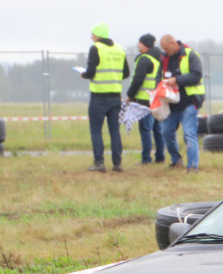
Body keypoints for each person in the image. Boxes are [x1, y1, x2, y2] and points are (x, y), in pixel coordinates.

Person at [81, 23, 129, 172]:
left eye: (92, 34)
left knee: (96, 130)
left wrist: (83, 74)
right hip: (115, 96)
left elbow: (91, 72)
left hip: (99, 96)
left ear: (98, 35)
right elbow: (126, 73)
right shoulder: (119, 49)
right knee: (115, 130)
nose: (91, 37)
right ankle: (117, 163)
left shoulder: (96, 48)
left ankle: (99, 162)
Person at [158, 34, 205, 172]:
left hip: (189, 102)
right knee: (166, 132)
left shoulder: (190, 55)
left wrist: (177, 80)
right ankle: (176, 160)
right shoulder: (164, 58)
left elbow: (196, 75)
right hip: (171, 104)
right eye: (164, 49)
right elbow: (158, 76)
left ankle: (192, 166)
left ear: (174, 43)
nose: (166, 52)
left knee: (189, 133)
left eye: (167, 48)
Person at [125, 33, 165, 165]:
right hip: (156, 98)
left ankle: (146, 158)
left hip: (144, 100)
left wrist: (130, 95)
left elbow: (137, 80)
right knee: (157, 130)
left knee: (145, 129)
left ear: (145, 44)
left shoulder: (144, 59)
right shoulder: (158, 58)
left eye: (140, 42)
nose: (138, 45)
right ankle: (160, 157)